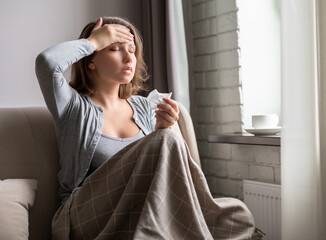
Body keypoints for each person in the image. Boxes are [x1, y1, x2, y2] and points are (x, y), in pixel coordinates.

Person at [36, 16, 262, 240]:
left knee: (238, 215)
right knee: (165, 140)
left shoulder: (145, 107)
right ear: (90, 60)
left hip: (137, 209)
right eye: (114, 48)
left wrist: (166, 128)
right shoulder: (73, 107)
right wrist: (94, 41)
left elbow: (172, 182)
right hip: (85, 216)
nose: (128, 57)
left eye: (132, 50)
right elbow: (47, 63)